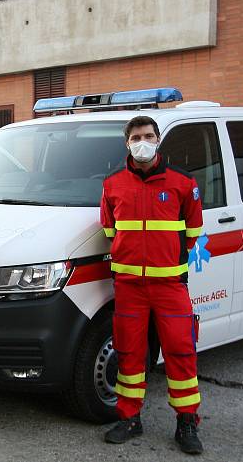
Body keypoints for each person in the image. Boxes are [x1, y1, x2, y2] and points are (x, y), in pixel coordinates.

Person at [100, 116, 204, 455]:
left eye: (148, 135)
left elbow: (192, 231)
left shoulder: (183, 183)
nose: (142, 141)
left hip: (170, 285)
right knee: (130, 354)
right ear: (127, 143)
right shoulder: (112, 184)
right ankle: (130, 418)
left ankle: (186, 422)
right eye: (136, 137)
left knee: (181, 352)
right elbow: (110, 230)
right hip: (129, 287)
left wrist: (170, 263)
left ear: (158, 139)